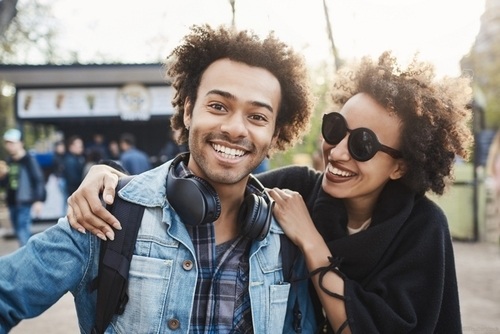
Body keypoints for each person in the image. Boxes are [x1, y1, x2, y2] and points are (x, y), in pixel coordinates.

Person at [66, 52, 472, 333]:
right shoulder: (297, 186)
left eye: (363, 144)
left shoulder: (422, 227)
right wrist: (110, 177)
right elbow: (209, 179)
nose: (338, 151)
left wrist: (311, 243)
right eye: (335, 130)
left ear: (402, 164)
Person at [0, 24, 317, 333]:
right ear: (189, 111)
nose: (236, 128)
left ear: (275, 133)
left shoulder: (286, 240)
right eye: (218, 106)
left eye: (257, 116)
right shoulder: (106, 214)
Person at [0, 128, 46, 246]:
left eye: (12, 143)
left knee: (22, 231)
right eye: (8, 143)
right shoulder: (9, 161)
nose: (10, 146)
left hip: (25, 201)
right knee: (18, 231)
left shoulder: (28, 160)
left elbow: (38, 179)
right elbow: (6, 184)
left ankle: (27, 260)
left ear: (20, 143)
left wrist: (38, 200)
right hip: (12, 201)